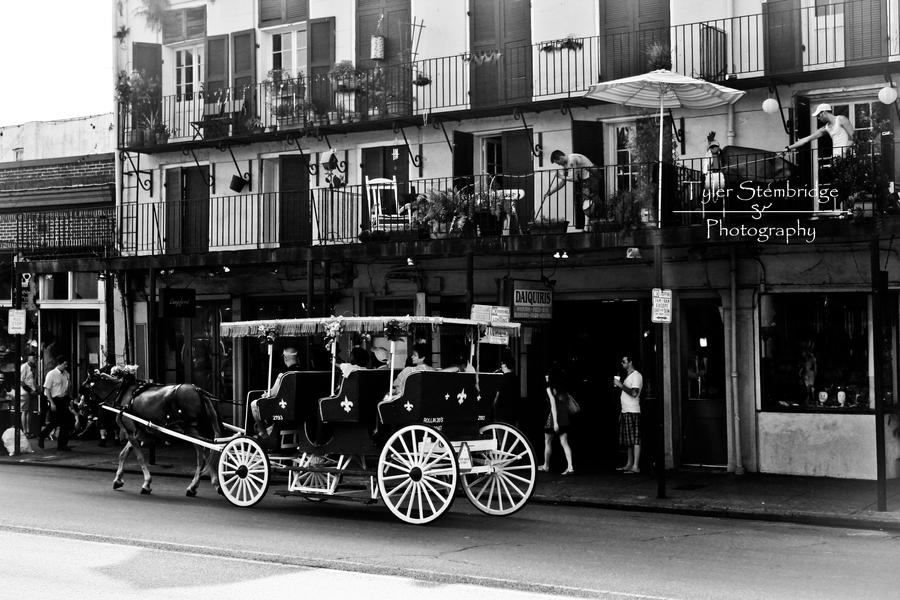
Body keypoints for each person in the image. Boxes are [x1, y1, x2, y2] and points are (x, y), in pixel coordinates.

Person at [250, 347, 303, 438]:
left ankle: (264, 434)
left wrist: (266, 394)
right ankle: (270, 428)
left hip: (285, 411)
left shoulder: (283, 375)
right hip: (301, 410)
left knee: (254, 404)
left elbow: (272, 394)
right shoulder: (304, 372)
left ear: (285, 358)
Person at [543, 150, 599, 225]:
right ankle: (588, 225)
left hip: (591, 176)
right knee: (586, 201)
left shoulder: (572, 159)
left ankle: (590, 224)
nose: (559, 165)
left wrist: (560, 176)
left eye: (558, 163)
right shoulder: (565, 165)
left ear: (560, 158)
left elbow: (575, 179)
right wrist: (550, 192)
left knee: (590, 201)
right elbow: (563, 182)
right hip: (585, 180)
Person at [538, 367, 575, 476]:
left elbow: (553, 405)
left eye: (547, 376)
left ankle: (546, 465)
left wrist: (555, 423)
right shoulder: (563, 388)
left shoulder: (549, 388)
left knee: (548, 441)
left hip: (554, 418)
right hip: (565, 418)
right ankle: (570, 467)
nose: (546, 377)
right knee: (564, 442)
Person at [614, 355, 643, 474]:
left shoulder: (636, 376)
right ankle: (629, 464)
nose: (622, 363)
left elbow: (634, 393)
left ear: (630, 362)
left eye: (624, 361)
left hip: (633, 410)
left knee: (635, 439)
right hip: (626, 410)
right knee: (629, 440)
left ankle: (635, 466)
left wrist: (620, 385)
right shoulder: (628, 376)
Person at [40, 355, 74, 451]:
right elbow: (47, 390)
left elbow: (68, 388)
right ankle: (42, 436)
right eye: (64, 364)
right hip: (55, 400)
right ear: (59, 363)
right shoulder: (51, 374)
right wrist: (52, 403)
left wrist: (70, 399)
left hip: (64, 399)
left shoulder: (66, 374)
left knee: (65, 423)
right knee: (54, 422)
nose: (66, 366)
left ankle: (62, 445)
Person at [493, 350, 520, 427]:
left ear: (505, 365)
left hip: (501, 413)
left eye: (502, 364)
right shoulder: (516, 378)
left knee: (501, 436)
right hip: (513, 413)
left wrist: (493, 409)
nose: (501, 366)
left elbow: (496, 397)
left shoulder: (501, 378)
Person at [19, 352, 37, 438]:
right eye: (33, 356)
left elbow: (32, 379)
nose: (34, 358)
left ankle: (28, 431)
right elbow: (21, 381)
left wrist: (36, 388)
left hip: (32, 391)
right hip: (25, 392)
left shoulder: (33, 367)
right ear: (28, 357)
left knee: (30, 411)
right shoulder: (24, 367)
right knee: (25, 411)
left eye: (35, 357)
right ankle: (25, 431)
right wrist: (30, 390)